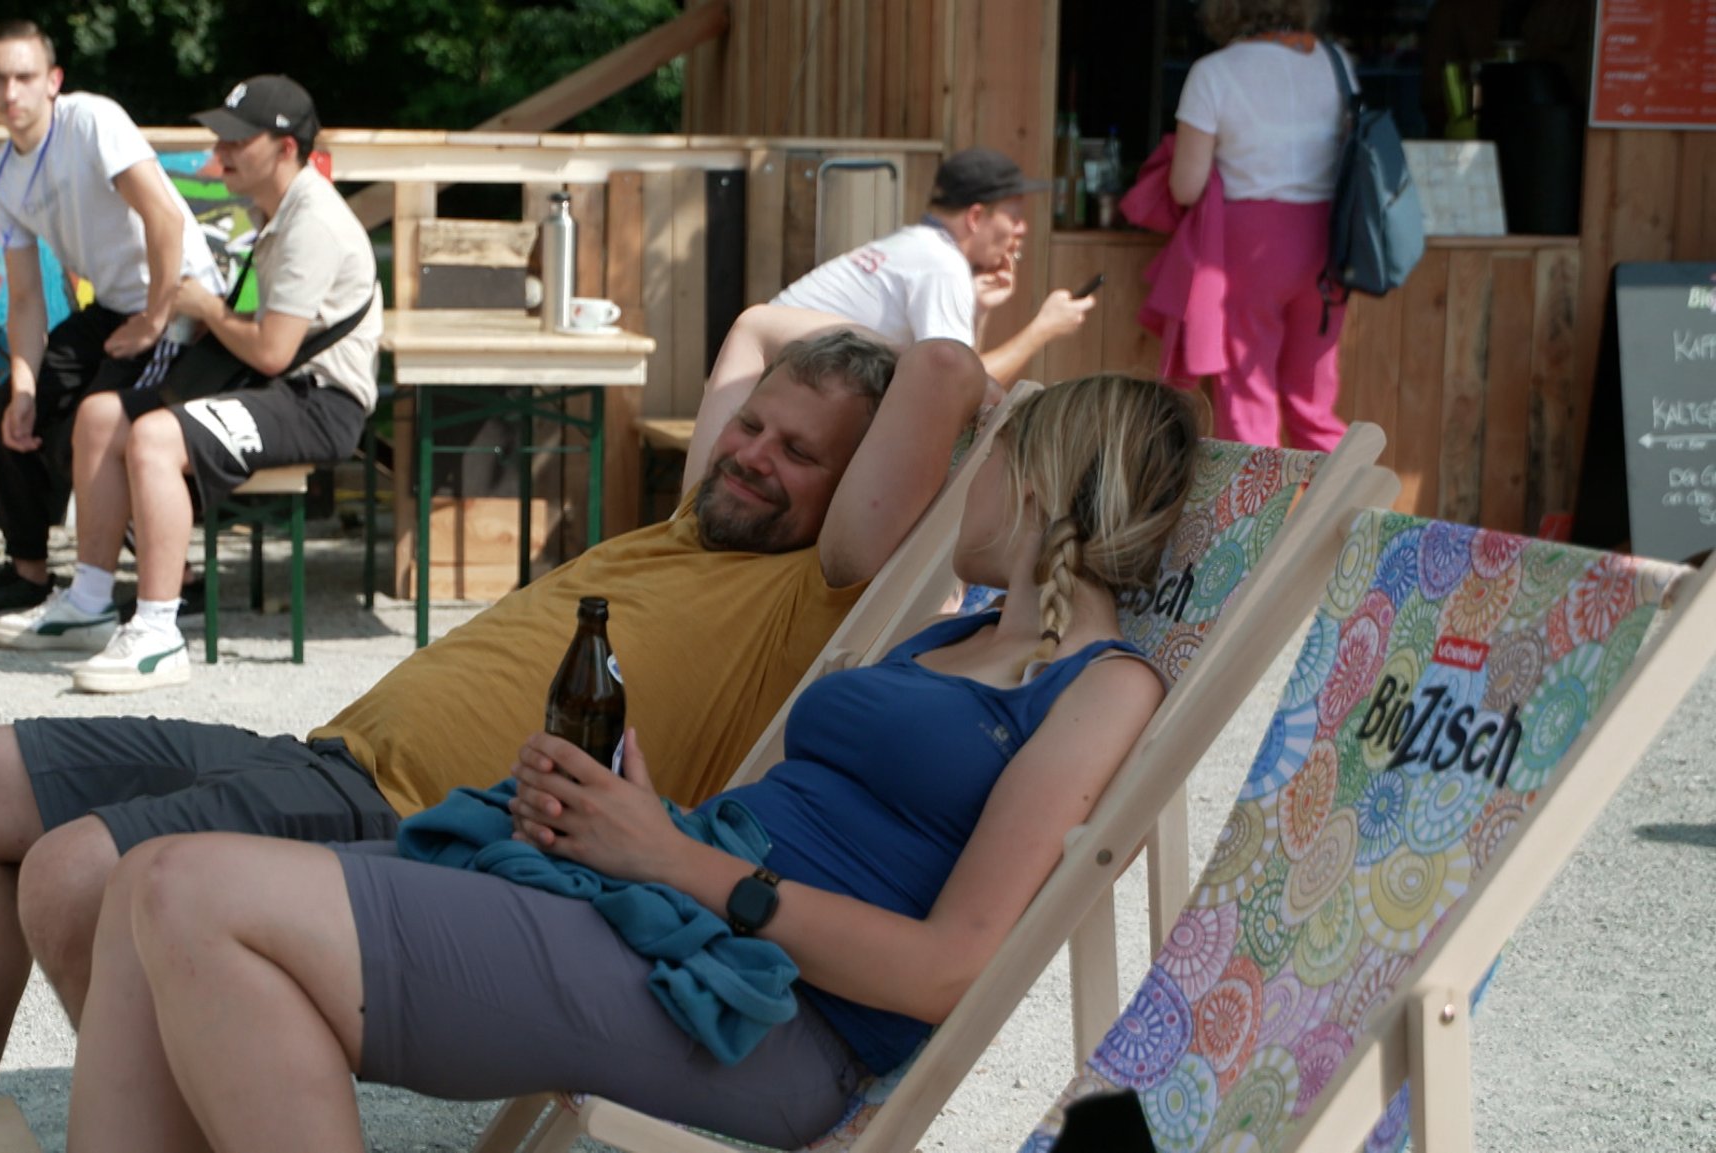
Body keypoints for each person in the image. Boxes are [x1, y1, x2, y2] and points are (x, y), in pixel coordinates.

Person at [62, 373, 1204, 1151]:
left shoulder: (1101, 685)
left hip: (757, 1013)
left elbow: (945, 971)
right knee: (141, 888)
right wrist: (640, 815)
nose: (971, 481)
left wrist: (672, 857)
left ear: (1037, 483)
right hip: (663, 908)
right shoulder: (952, 635)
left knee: (186, 890)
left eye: (989, 457)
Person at [0, 316, 987, 1098]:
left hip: (418, 811)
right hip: (325, 755)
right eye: (753, 427)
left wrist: (925, 390)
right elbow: (755, 327)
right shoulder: (694, 520)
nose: (752, 456)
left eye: (800, 453)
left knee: (75, 872)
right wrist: (807, 382)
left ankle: (183, 1118)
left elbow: (941, 366)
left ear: (853, 488)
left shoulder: (816, 584)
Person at [0, 75, 382, 694]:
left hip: (318, 404)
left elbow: (276, 353)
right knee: (98, 417)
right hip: (280, 387)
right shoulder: (278, 208)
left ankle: (157, 632)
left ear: (284, 150)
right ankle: (89, 602)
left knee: (153, 439)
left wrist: (203, 306)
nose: (215, 154)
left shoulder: (313, 221)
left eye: (234, 142)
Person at [0, 20, 225, 626]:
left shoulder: (90, 121)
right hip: (116, 308)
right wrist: (23, 387)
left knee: (96, 425)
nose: (11, 92)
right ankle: (28, 574)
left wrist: (153, 318)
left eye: (25, 77)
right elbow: (25, 302)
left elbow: (165, 221)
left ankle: (179, 584)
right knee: (6, 413)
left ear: (53, 82)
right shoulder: (2, 179)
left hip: (180, 303)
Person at [680, 148, 1093, 485]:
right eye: (1014, 216)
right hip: (782, 419)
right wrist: (1042, 330)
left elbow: (960, 377)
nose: (1022, 229)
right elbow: (960, 393)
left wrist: (978, 309)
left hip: (757, 403)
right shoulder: (941, 265)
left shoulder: (916, 245)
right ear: (975, 217)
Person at [1168, 0, 1349, 450]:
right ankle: (1345, 515)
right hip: (1332, 242)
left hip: (1250, 245)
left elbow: (1185, 188)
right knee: (1314, 404)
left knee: (1249, 403)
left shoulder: (1212, 72)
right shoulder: (1335, 61)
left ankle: (1262, 520)